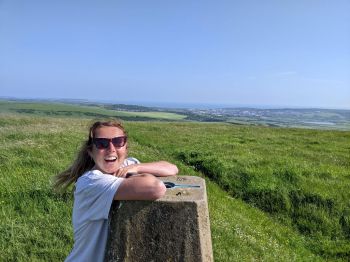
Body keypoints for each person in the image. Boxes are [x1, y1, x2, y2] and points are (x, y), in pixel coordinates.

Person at [53, 120, 178, 262]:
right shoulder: (91, 182)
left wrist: (136, 168)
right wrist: (136, 171)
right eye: (102, 143)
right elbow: (155, 188)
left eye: (118, 141)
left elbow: (171, 168)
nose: (111, 149)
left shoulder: (125, 165)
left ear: (126, 147)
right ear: (90, 152)